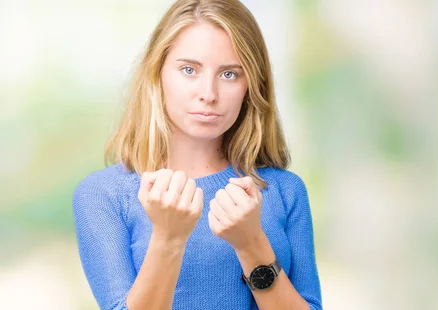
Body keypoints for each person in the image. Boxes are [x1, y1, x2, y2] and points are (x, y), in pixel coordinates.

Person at [71, 0, 322, 309]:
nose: (209, 93)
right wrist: (168, 238)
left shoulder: (284, 190)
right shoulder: (104, 196)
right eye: (189, 70)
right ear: (157, 73)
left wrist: (251, 244)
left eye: (229, 74)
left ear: (251, 86)